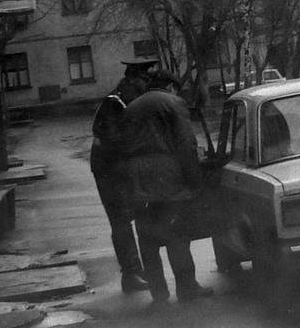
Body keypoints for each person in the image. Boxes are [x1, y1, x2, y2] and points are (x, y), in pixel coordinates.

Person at [121, 69, 214, 303]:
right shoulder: (173, 103)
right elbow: (186, 144)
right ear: (171, 87)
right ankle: (187, 289)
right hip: (169, 178)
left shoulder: (131, 108)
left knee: (148, 241)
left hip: (138, 180)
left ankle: (159, 295)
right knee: (178, 236)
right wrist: (195, 181)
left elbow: (121, 147)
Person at [90, 57, 158, 293]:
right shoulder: (115, 102)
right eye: (144, 78)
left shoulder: (131, 99)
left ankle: (137, 269)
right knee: (121, 221)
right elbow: (115, 141)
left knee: (132, 217)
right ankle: (130, 274)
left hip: (121, 168)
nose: (147, 84)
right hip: (109, 170)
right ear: (133, 78)